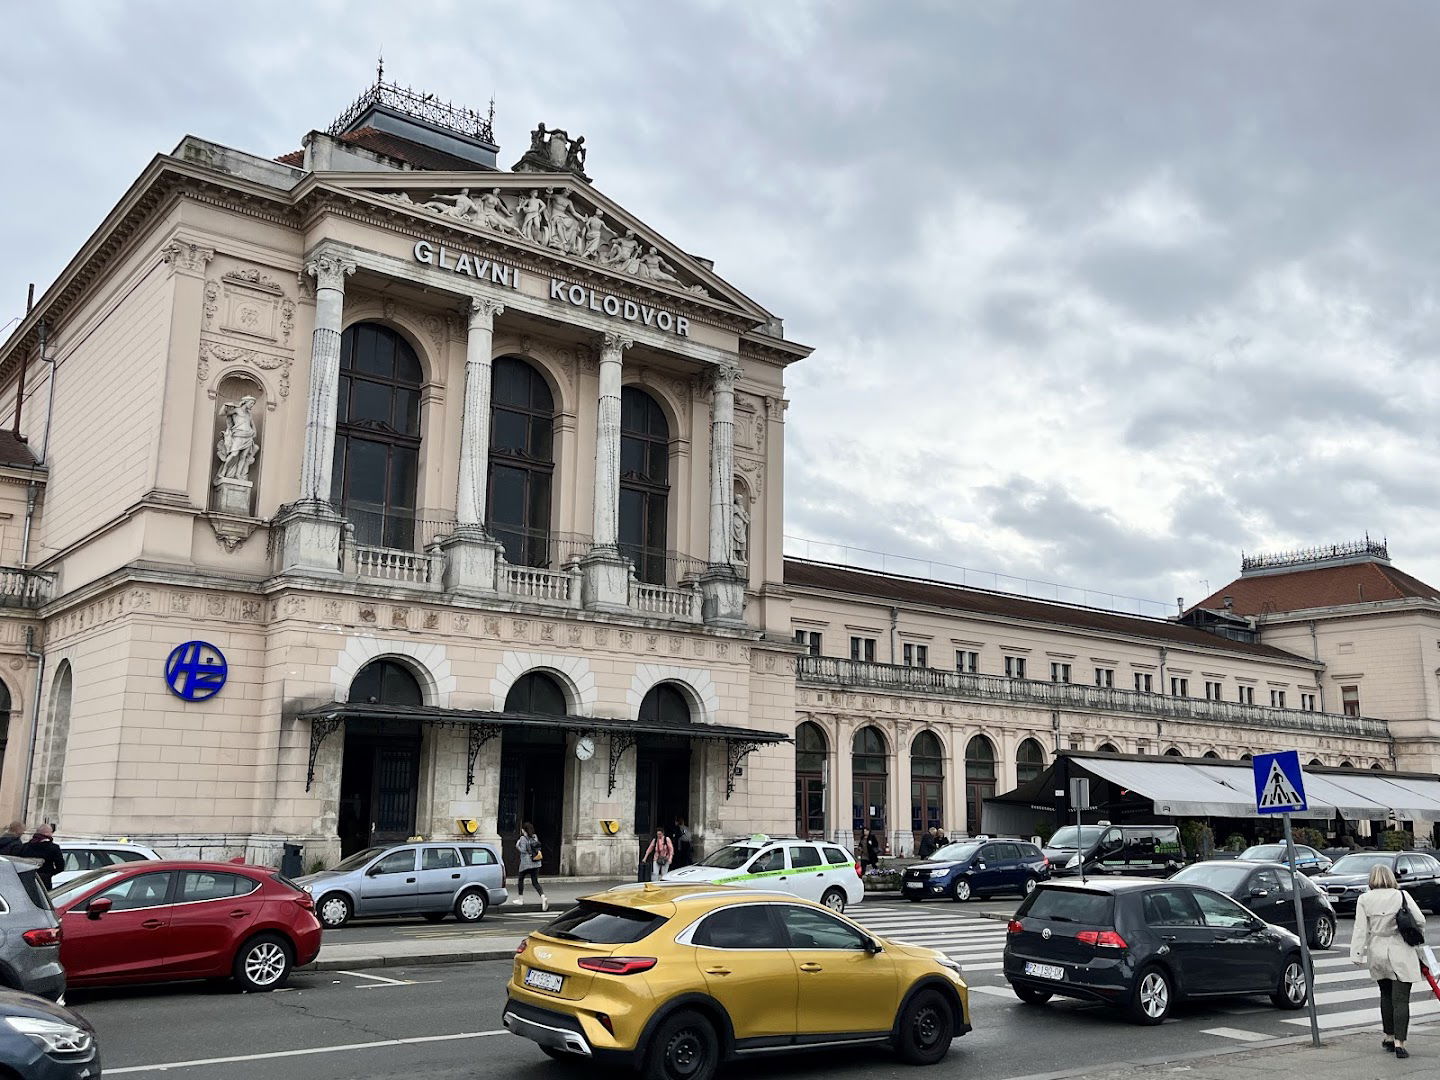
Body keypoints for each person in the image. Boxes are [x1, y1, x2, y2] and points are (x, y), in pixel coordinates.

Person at [1350, 863, 1426, 1058]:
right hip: (1400, 949)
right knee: (1401, 998)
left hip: (1377, 949)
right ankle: (1400, 1042)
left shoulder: (1364, 899)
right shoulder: (1401, 896)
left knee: (1385, 994)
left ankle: (1389, 1036)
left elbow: (1360, 928)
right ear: (1390, 878)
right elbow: (1420, 920)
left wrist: (1357, 954)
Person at [510, 823, 548, 911]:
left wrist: (517, 846)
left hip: (526, 863)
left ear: (524, 830)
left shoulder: (523, 838)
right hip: (536, 862)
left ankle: (520, 899)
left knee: (520, 879)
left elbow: (523, 850)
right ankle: (543, 896)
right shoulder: (535, 837)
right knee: (535, 882)